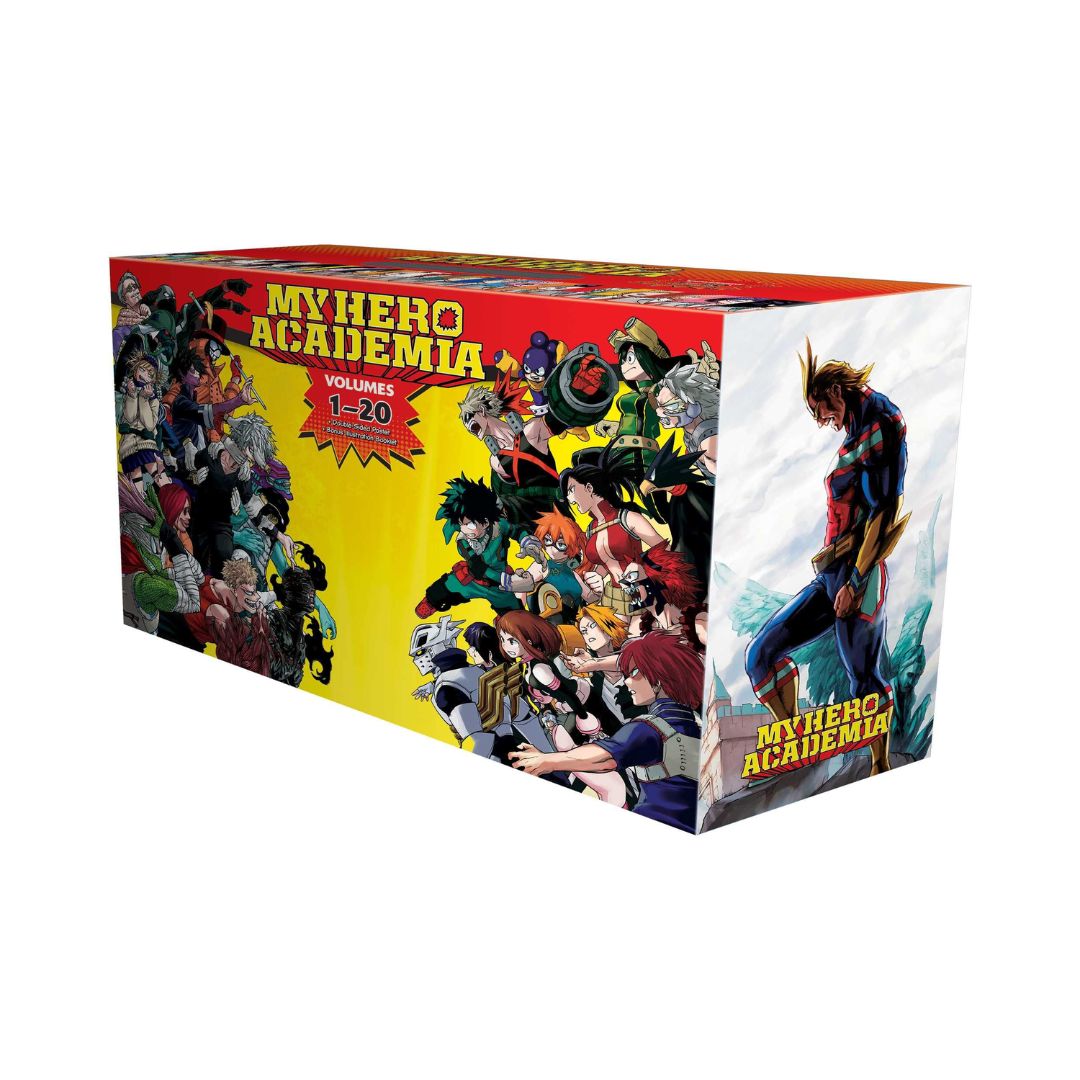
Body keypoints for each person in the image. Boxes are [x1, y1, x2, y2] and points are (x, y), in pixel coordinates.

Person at [745, 339, 908, 775]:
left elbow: (883, 511)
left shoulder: (879, 422)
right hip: (832, 574)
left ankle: (880, 767)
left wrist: (856, 581)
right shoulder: (859, 426)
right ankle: (796, 743)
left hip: (858, 574)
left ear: (836, 391)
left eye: (820, 410)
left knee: (864, 679)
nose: (821, 421)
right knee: (760, 655)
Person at [511, 631, 703, 833]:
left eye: (634, 673)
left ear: (659, 679)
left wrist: (546, 761)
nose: (627, 682)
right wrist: (592, 664)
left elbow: (604, 757)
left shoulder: (650, 729)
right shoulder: (693, 724)